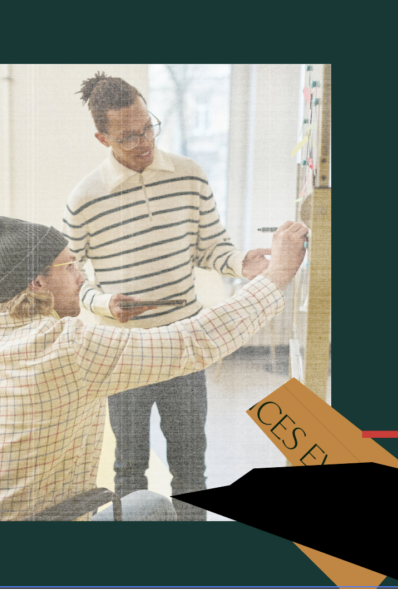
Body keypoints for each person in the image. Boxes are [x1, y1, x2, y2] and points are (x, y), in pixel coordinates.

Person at [0, 216, 307, 521]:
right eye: (70, 267)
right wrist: (278, 274)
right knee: (150, 506)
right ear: (37, 283)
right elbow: (193, 341)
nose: (82, 277)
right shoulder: (69, 346)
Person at [62, 73, 280, 520]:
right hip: (123, 353)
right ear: (102, 137)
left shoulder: (190, 176)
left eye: (148, 127)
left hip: (185, 344)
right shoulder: (84, 198)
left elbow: (209, 247)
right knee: (129, 469)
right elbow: (70, 275)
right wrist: (103, 304)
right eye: (128, 136)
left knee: (191, 468)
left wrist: (242, 263)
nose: (143, 141)